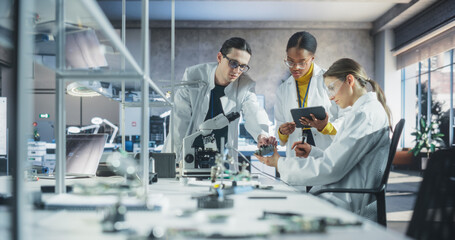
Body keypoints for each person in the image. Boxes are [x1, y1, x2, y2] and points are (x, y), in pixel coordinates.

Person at [257, 58, 392, 220]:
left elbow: (331, 168)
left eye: (332, 88)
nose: (330, 97)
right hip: (342, 191)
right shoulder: (364, 111)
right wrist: (313, 152)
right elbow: (344, 160)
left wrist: (278, 163)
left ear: (349, 80)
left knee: (276, 208)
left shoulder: (364, 115)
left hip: (346, 199)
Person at [163, 37, 276, 170]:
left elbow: (254, 111)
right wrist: (175, 160)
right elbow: (180, 121)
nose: (237, 71)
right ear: (219, 57)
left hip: (222, 157)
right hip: (189, 154)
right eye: (233, 63)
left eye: (242, 66)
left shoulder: (245, 84)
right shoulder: (193, 76)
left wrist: (262, 134)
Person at [274, 31, 346, 159]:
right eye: (290, 62)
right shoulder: (283, 89)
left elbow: (347, 118)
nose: (295, 67)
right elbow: (279, 123)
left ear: (312, 58)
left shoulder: (330, 80)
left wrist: (326, 127)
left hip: (326, 151)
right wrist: (282, 132)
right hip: (296, 152)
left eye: (302, 63)